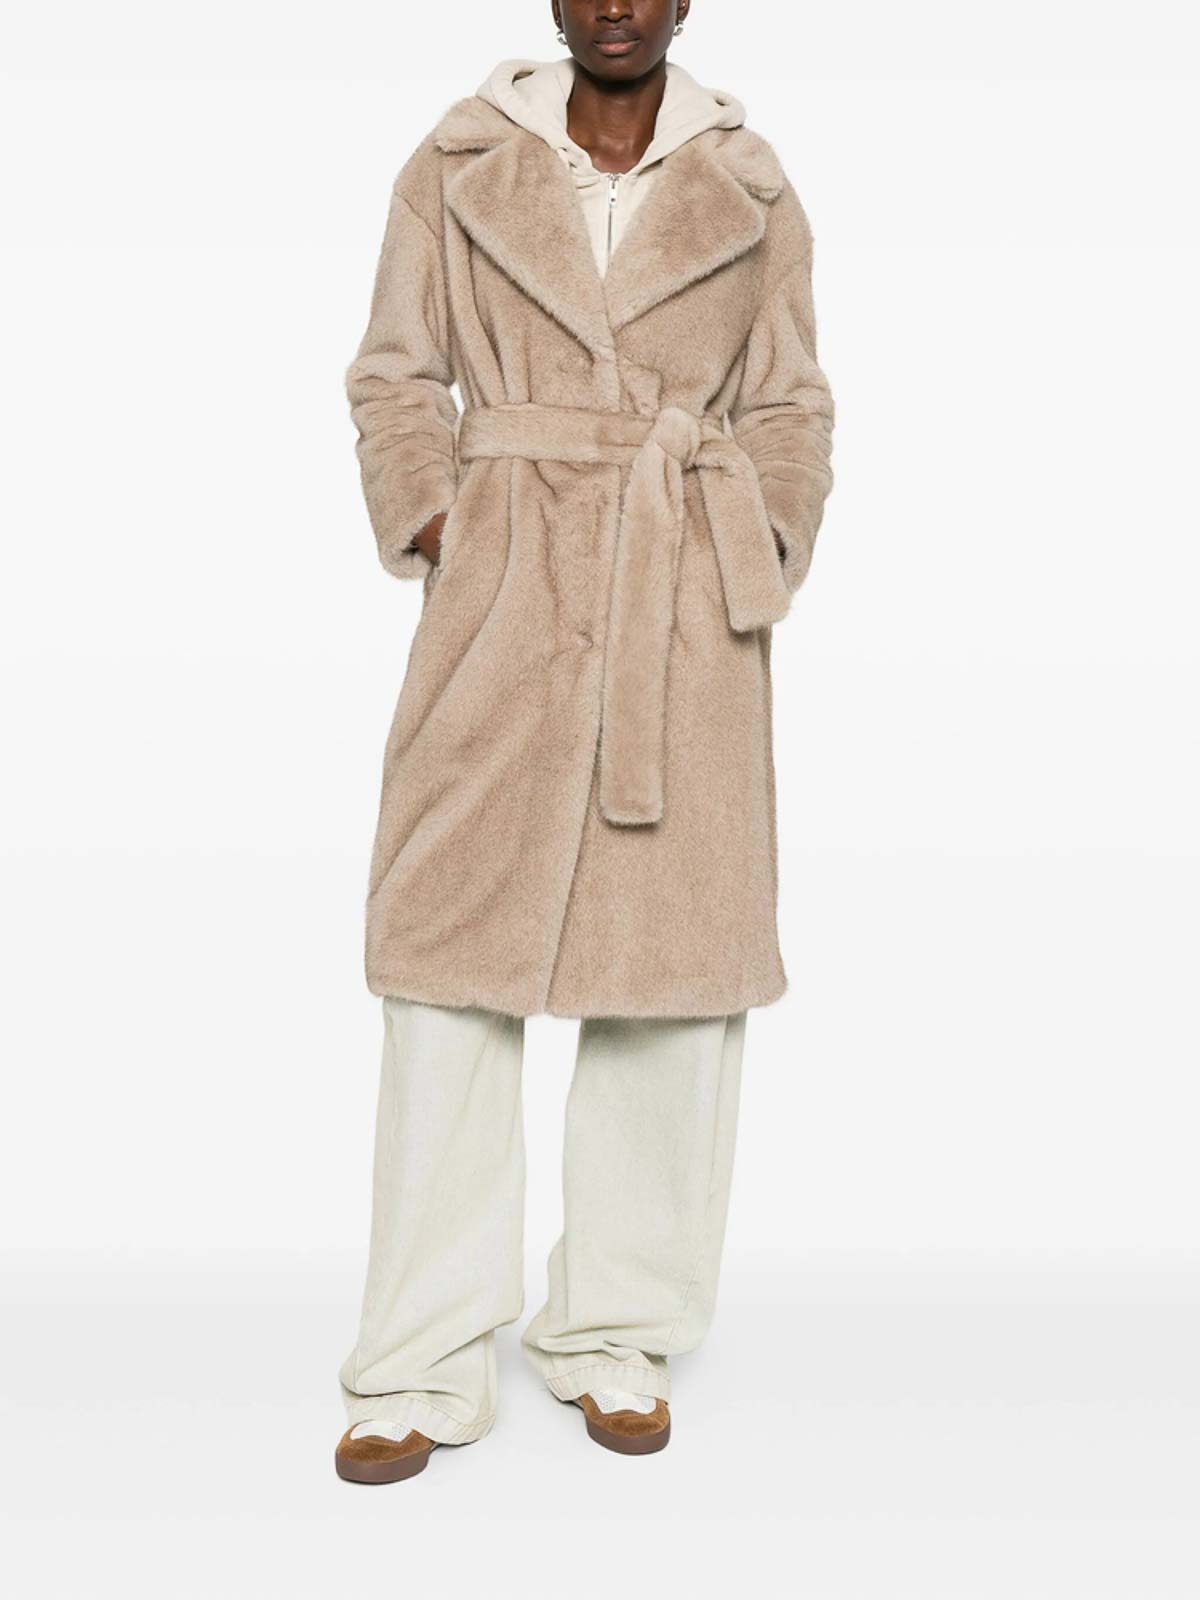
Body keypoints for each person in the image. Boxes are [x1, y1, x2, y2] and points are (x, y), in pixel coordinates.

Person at [335, 0, 835, 1484]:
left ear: (686, 3)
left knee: (670, 980)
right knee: (444, 966)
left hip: (683, 607)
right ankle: (420, 1356)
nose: (616, 2)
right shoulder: (457, 162)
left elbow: (792, 400)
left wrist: (766, 539)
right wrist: (443, 522)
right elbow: (393, 370)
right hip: (504, 597)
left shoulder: (751, 185)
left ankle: (618, 1330)